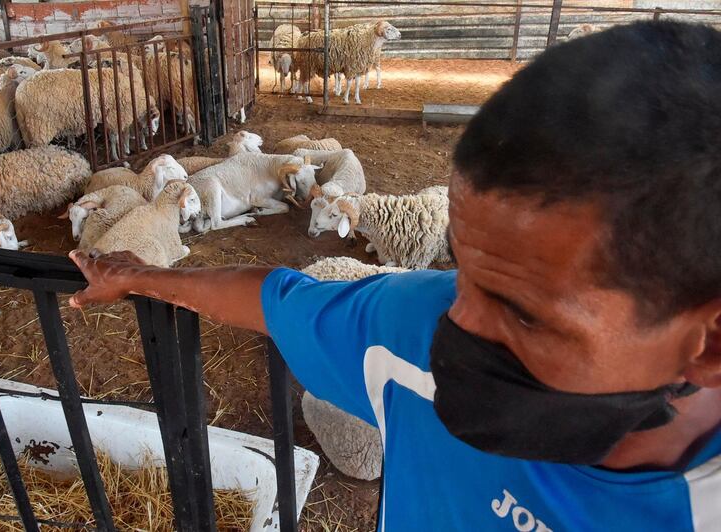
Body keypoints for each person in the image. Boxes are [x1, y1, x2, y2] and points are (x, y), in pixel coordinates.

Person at [69, 21, 721, 531]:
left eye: (526, 313)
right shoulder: (410, 330)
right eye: (464, 273)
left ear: (708, 341)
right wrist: (142, 277)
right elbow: (275, 299)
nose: (456, 326)